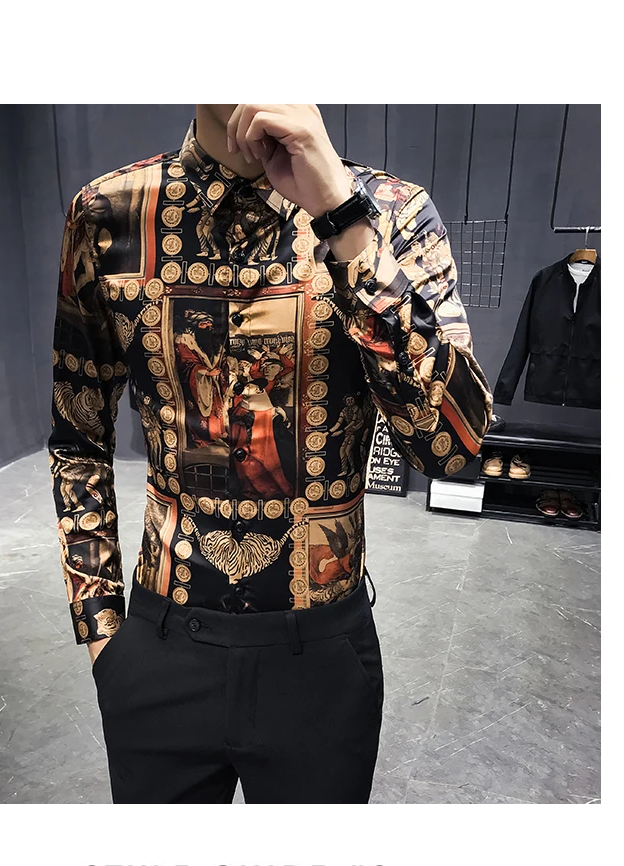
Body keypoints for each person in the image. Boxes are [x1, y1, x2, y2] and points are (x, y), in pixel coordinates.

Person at [48, 104, 493, 804]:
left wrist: (343, 220)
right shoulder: (109, 213)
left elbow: (454, 446)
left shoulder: (392, 213)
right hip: (159, 648)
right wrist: (101, 626)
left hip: (322, 658)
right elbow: (77, 436)